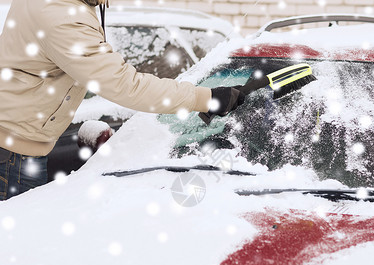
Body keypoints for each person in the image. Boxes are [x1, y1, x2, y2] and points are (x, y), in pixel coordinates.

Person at [0, 0, 245, 200]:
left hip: (16, 139)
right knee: (15, 247)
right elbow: (123, 84)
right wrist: (205, 97)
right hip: (15, 152)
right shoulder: (62, 15)